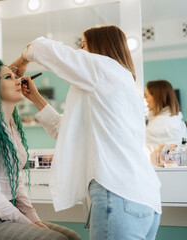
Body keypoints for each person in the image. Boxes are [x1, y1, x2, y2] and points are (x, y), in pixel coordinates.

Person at [10, 25, 161, 240]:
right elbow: (68, 132)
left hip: (118, 195)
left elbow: (40, 47)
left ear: (101, 48)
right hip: (147, 201)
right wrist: (36, 99)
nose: (79, 53)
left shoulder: (102, 67)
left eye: (83, 46)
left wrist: (22, 60)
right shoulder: (121, 82)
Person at [0, 58, 81, 240]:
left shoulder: (11, 130)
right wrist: (28, 223)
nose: (17, 80)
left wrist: (35, 220)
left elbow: (17, 186)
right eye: (8, 77)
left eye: (15, 76)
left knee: (72, 237)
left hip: (4, 215)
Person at [144, 80, 187, 145]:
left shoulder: (158, 124)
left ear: (156, 98)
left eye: (146, 96)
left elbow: (141, 145)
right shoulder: (179, 122)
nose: (144, 99)